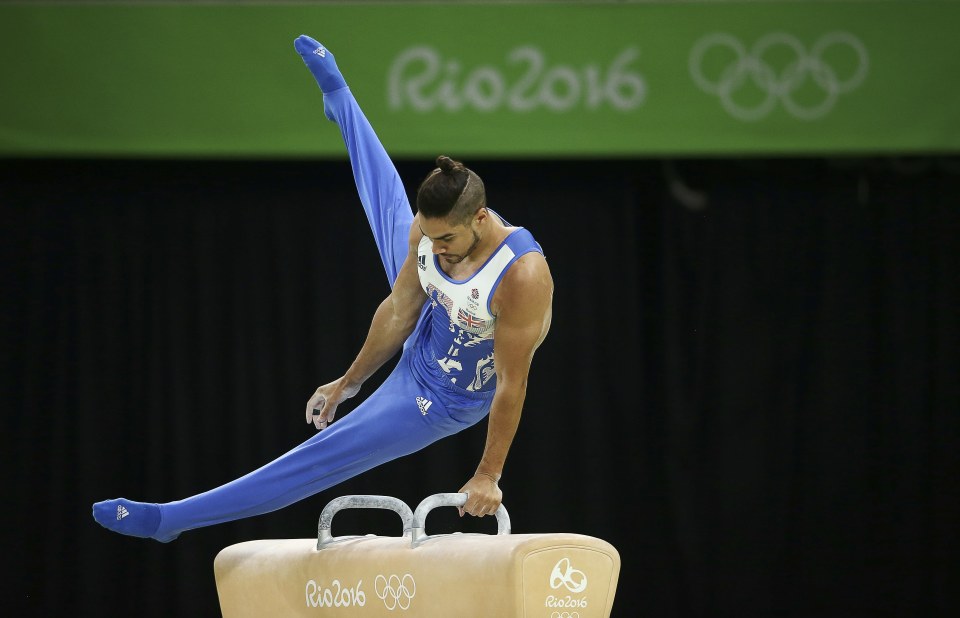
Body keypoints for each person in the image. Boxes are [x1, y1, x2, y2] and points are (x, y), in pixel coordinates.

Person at [92, 35, 553, 542]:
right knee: (391, 207)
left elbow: (512, 385)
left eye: (448, 238)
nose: (436, 246)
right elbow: (400, 310)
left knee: (323, 456)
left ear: (481, 219)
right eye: (431, 234)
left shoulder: (521, 277)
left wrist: (489, 474)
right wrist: (347, 383)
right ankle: (340, 96)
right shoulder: (430, 230)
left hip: (443, 396)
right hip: (429, 322)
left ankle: (172, 520)